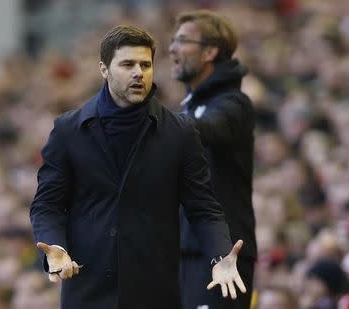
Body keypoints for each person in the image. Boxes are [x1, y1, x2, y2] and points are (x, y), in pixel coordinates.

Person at [29, 25, 246, 309]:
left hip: (155, 291)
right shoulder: (68, 130)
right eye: (127, 64)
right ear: (104, 69)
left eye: (146, 64)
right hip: (87, 290)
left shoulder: (180, 132)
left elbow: (203, 208)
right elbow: (47, 204)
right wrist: (55, 248)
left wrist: (220, 256)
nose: (138, 73)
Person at [169, 10, 256, 309]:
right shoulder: (189, 109)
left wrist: (151, 117)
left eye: (182, 41)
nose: (172, 49)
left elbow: (212, 129)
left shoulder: (234, 103)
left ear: (209, 51)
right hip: (184, 252)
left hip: (223, 256)